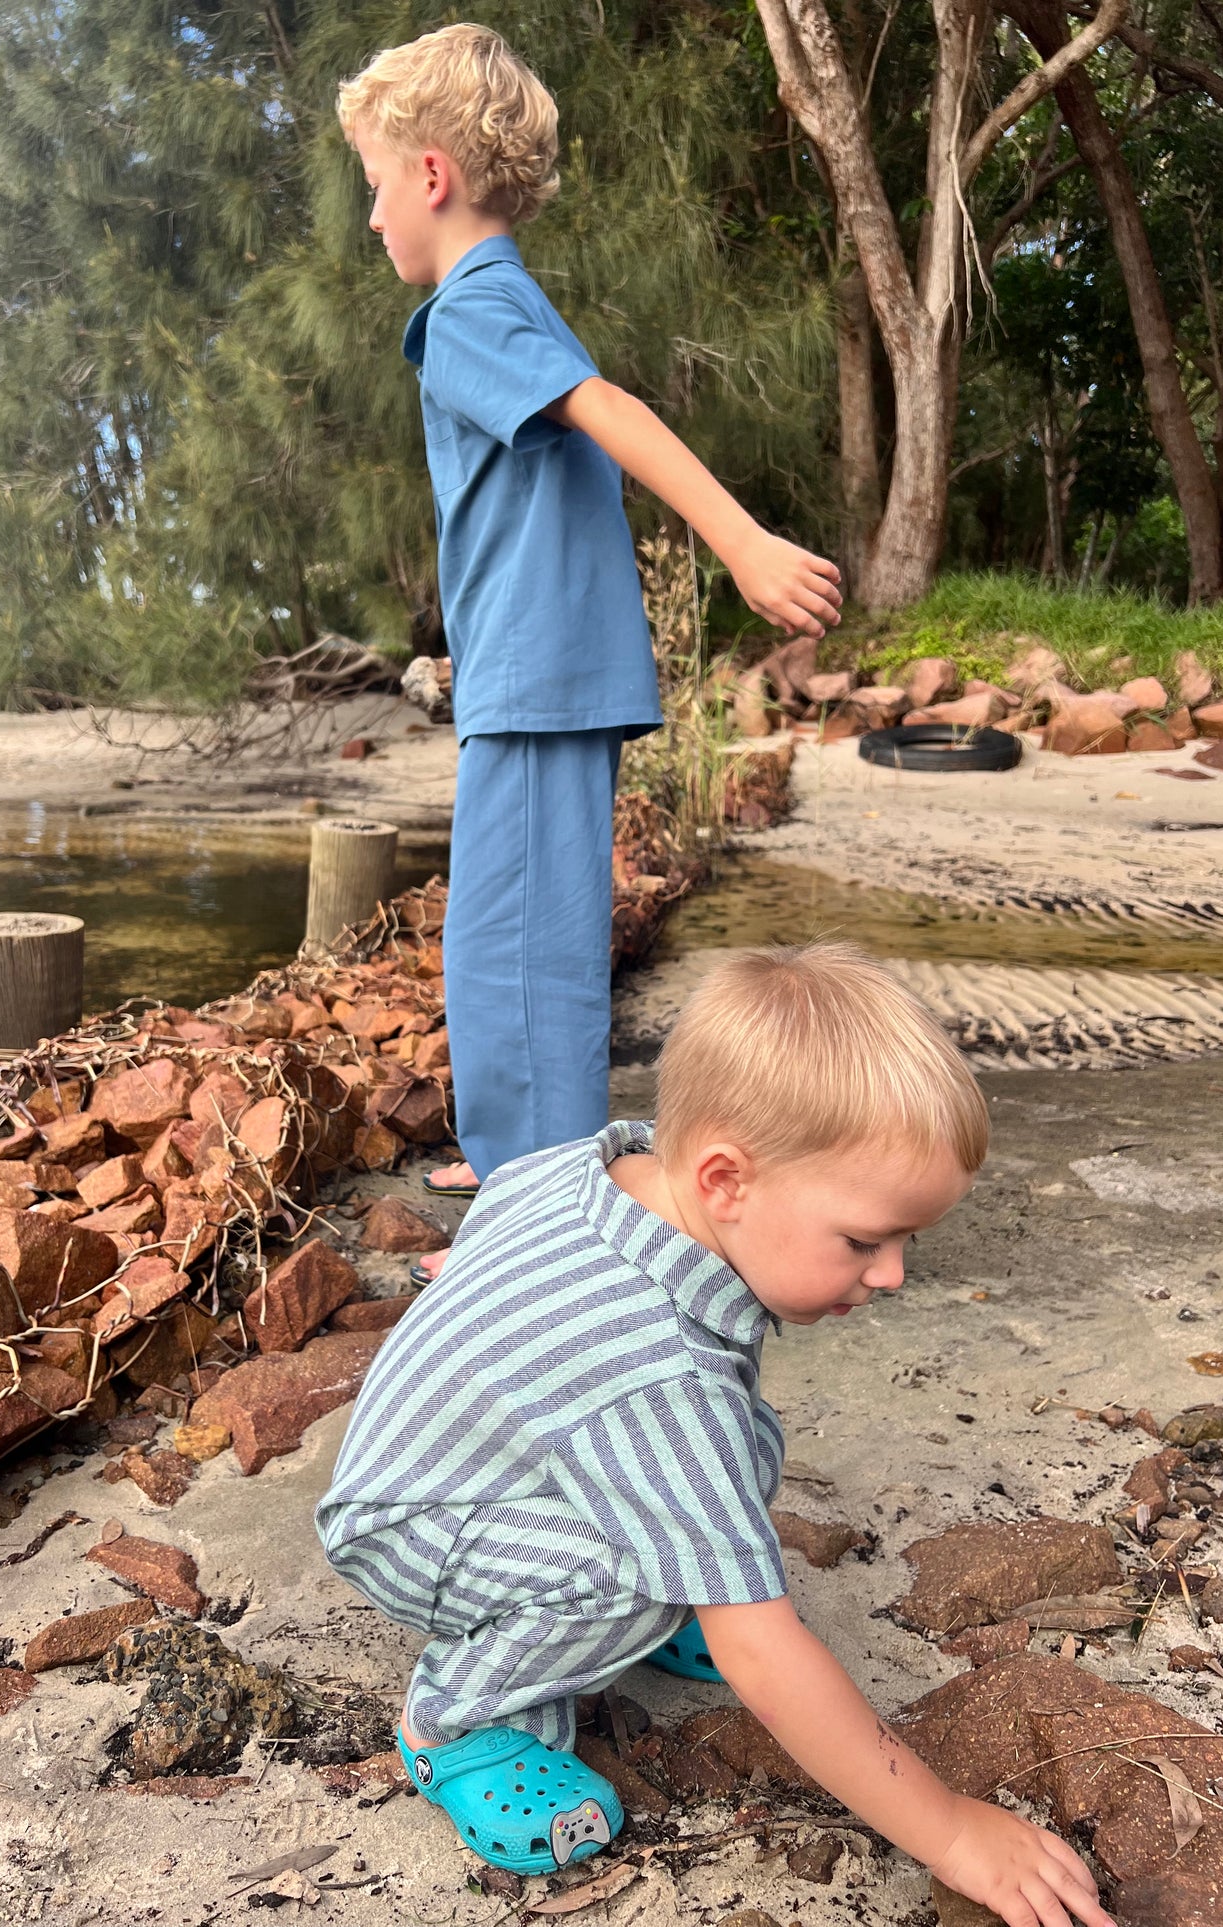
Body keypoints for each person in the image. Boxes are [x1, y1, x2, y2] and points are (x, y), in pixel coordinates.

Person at [316, 944, 1113, 1927]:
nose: (893, 1274)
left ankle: (630, 1598)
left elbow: (490, 1232)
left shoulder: (610, 1160)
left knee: (736, 1452)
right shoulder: (654, 1368)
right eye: (864, 1239)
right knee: (634, 1572)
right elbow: (764, 1657)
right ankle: (460, 1725)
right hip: (412, 1519)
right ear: (726, 1179)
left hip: (456, 1457)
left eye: (906, 1240)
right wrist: (949, 1831)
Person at [335, 25, 843, 1283]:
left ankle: (536, 1216)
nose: (369, 217)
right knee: (512, 934)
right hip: (544, 664)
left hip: (535, 668)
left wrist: (739, 542)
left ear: (433, 176)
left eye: (374, 185)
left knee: (515, 944)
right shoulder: (498, 297)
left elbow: (608, 410)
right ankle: (521, 1149)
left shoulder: (468, 309)